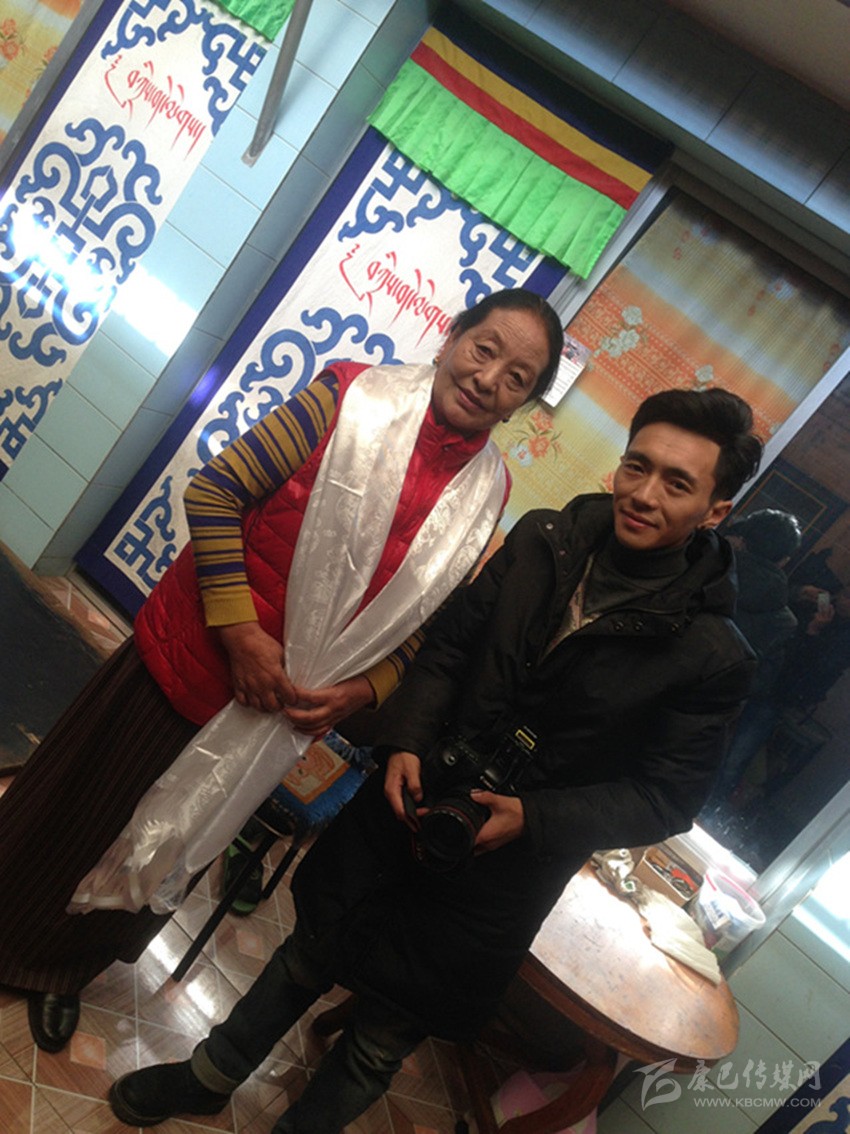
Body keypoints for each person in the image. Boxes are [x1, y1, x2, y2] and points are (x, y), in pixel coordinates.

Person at [109, 386, 763, 1133]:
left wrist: (533, 817)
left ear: (715, 510)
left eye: (677, 483)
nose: (643, 494)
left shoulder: (713, 656)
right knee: (306, 953)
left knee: (383, 1036)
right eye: (637, 466)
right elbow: (449, 647)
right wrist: (406, 741)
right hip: (410, 793)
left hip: (505, 867)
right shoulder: (544, 540)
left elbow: (665, 797)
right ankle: (208, 1078)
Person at [0, 287, 564, 1053]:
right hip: (194, 660)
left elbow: (422, 629)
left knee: (170, 849)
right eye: (484, 348)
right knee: (87, 809)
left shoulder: (485, 493)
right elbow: (217, 491)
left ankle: (64, 968)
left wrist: (361, 692)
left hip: (275, 720)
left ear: (524, 402)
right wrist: (240, 632)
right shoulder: (347, 395)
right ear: (451, 336)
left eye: (517, 377)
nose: (488, 378)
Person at [701, 508, 801, 817]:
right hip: (699, 716)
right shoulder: (783, 622)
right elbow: (757, 683)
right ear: (784, 560)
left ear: (743, 540)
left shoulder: (701, 566)